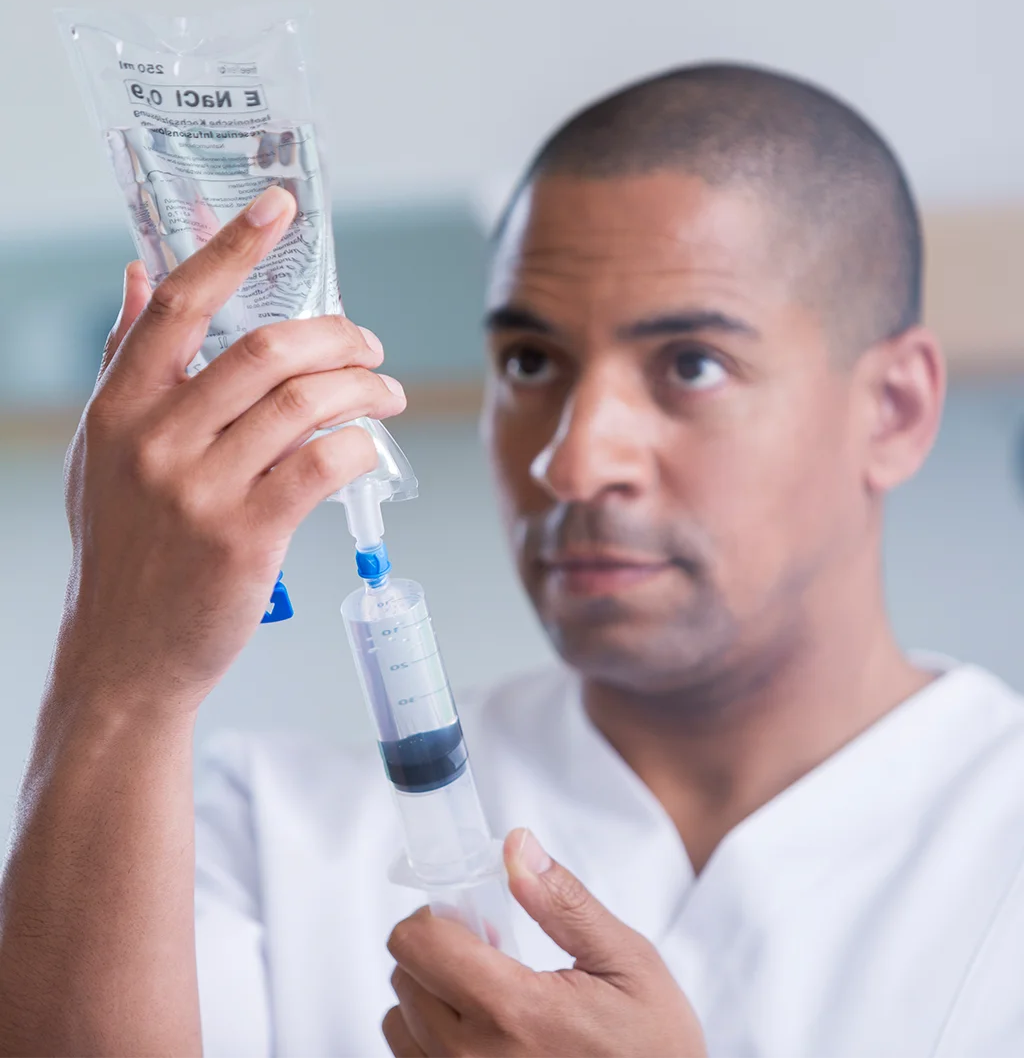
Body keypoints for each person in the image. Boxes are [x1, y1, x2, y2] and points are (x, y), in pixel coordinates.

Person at [1, 61, 1023, 1058]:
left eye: (691, 365)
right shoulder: (271, 833)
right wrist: (119, 677)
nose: (570, 460)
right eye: (529, 362)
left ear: (892, 410)